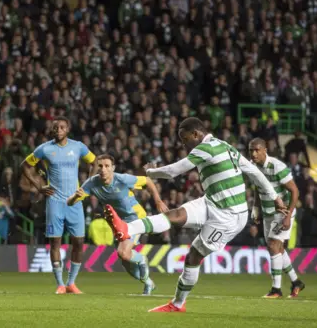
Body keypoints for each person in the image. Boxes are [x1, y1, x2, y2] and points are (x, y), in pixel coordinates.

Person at [104, 118, 286, 312]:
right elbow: (255, 174)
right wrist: (274, 196)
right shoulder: (226, 147)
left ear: (197, 134)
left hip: (229, 217)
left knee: (193, 256)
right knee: (175, 215)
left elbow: (174, 171)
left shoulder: (205, 148)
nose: (184, 144)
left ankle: (177, 304)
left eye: (185, 139)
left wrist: (150, 171)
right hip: (212, 201)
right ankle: (127, 228)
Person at [67, 154, 169, 295]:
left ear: (113, 168)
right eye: (100, 166)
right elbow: (70, 202)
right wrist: (75, 197)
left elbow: (147, 181)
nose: (103, 169)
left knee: (123, 253)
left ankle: (142, 259)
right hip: (116, 223)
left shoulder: (122, 179)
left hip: (135, 218)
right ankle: (148, 283)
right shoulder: (92, 183)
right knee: (126, 263)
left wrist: (158, 201)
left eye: (107, 166)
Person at [22, 116, 96, 294]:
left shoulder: (78, 147)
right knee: (55, 242)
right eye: (55, 128)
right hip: (55, 201)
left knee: (78, 242)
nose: (58, 130)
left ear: (67, 129)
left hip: (75, 201)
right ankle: (60, 284)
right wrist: (39, 186)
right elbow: (25, 165)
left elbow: (95, 163)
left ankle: (71, 283)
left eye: (62, 127)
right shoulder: (45, 149)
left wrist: (86, 187)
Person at [249, 138, 305, 298]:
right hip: (267, 213)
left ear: (265, 149)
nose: (253, 153)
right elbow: (257, 189)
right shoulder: (252, 167)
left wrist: (288, 216)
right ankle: (296, 282)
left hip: (283, 211)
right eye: (251, 150)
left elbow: (295, 191)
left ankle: (276, 289)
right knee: (277, 248)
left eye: (257, 150)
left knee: (274, 245)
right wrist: (256, 208)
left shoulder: (277, 167)